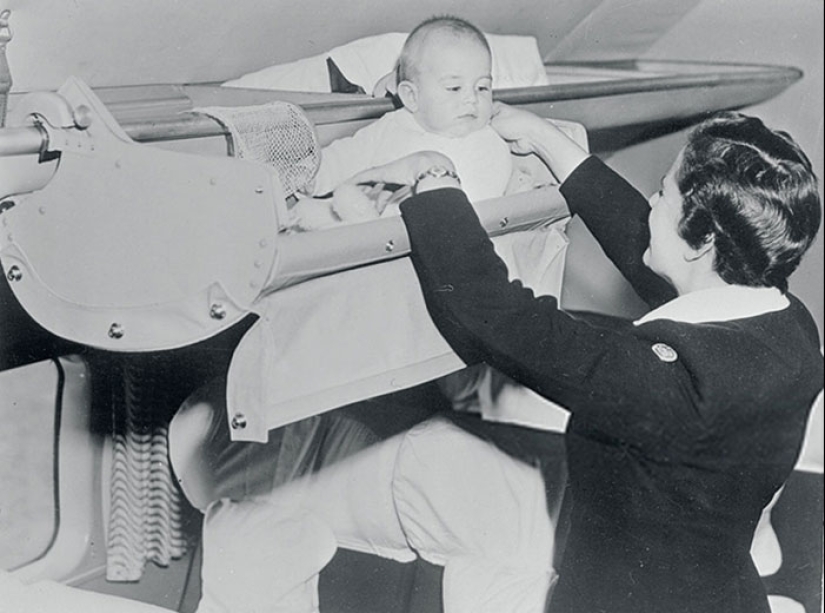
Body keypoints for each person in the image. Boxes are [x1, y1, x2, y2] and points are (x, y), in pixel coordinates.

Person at [191, 107, 823, 613]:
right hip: (710, 587)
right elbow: (657, 252)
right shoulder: (787, 326)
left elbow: (492, 313)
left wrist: (435, 188)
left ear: (704, 239)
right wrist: (550, 143)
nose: (651, 204)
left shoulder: (670, 387)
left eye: (663, 193)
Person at [290, 15, 534, 230]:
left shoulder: (487, 143)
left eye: (482, 87)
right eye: (454, 88)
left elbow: (472, 214)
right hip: (367, 225)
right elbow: (349, 154)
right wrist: (312, 176)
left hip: (425, 241)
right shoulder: (393, 125)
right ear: (412, 97)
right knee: (308, 214)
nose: (472, 98)